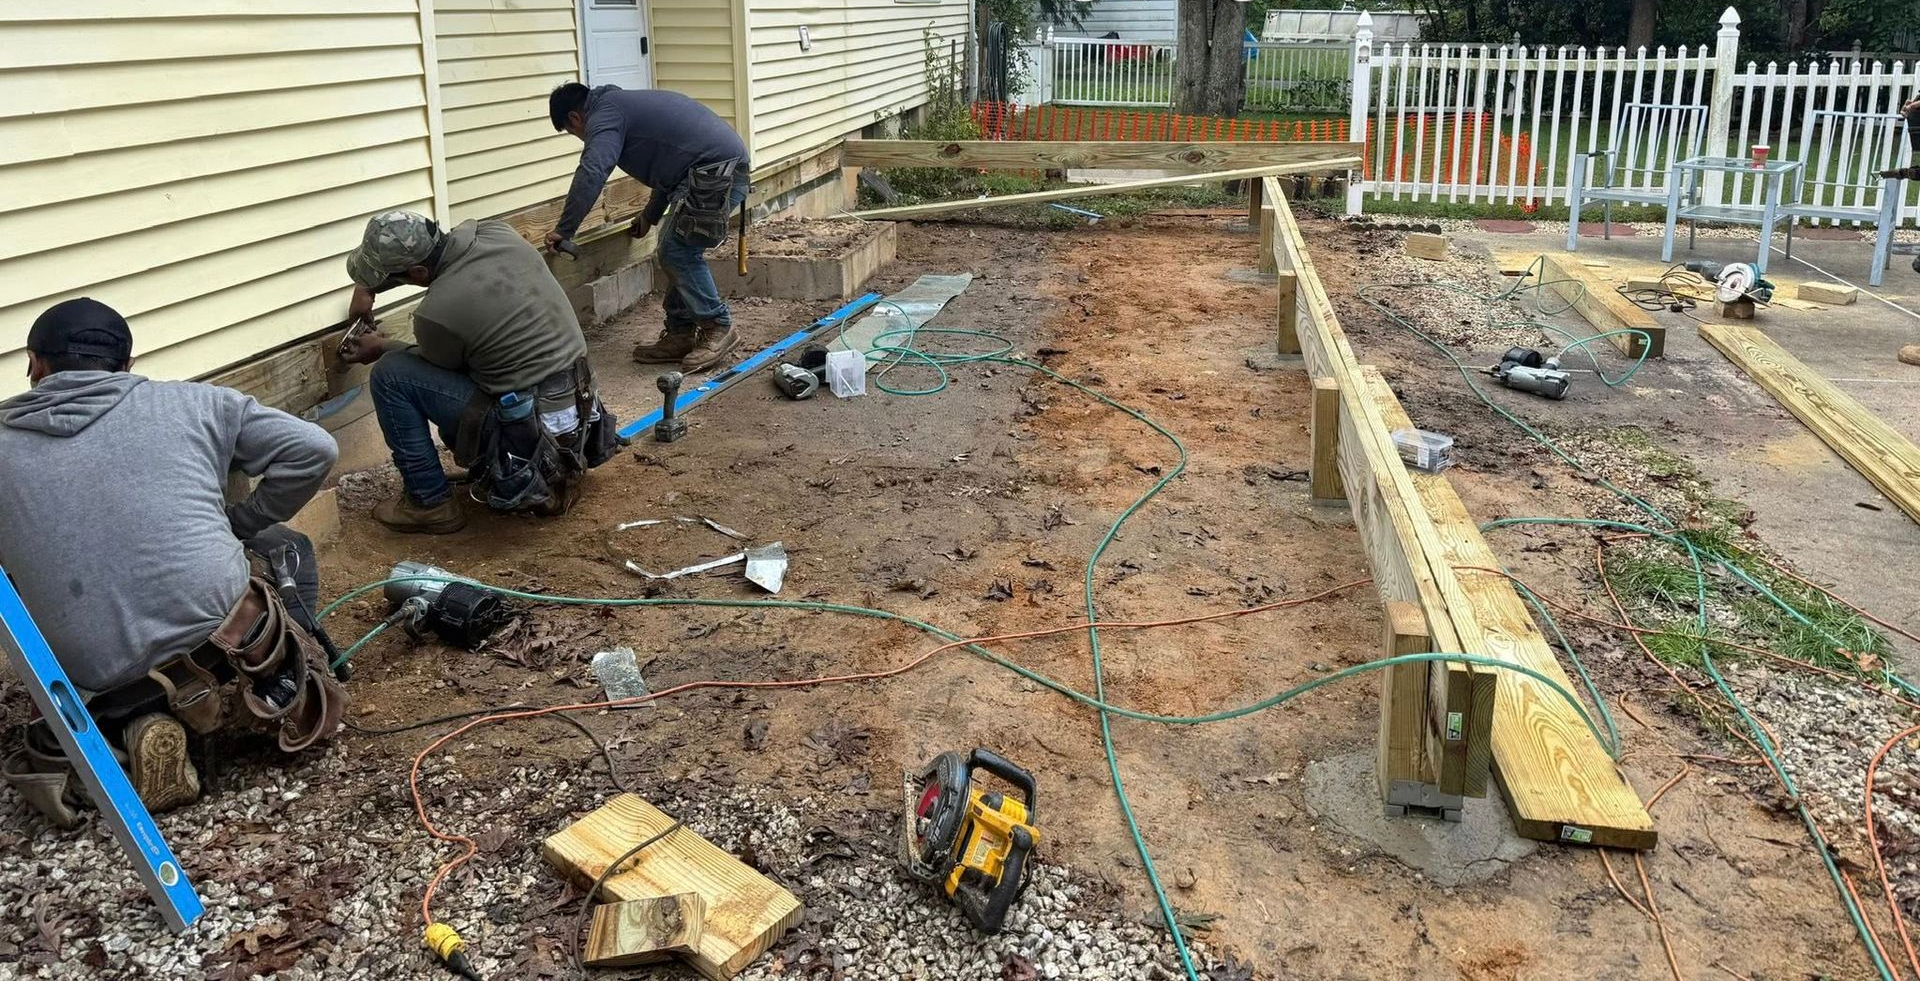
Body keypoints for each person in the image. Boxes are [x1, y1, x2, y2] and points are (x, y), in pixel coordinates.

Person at [0, 298, 348, 824]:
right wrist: (242, 522)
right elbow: (314, 448)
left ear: (35, 363)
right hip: (219, 644)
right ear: (128, 366)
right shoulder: (197, 404)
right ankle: (281, 688)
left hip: (89, 681)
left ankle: (136, 724)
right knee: (285, 547)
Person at [342, 210, 619, 534]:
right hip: (580, 407)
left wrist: (381, 346)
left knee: (392, 374)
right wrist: (367, 285)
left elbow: (434, 370)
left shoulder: (437, 314)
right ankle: (545, 468)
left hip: (532, 428)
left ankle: (428, 503)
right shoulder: (496, 233)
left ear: (417, 272)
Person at [545, 82, 751, 372]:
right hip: (709, 169)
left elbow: (593, 170)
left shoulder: (605, 115)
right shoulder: (619, 106)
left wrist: (565, 230)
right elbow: (670, 168)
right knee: (679, 248)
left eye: (573, 133)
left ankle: (718, 326)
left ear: (575, 119)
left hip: (716, 171)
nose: (582, 138)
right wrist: (650, 216)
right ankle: (680, 334)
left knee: (677, 252)